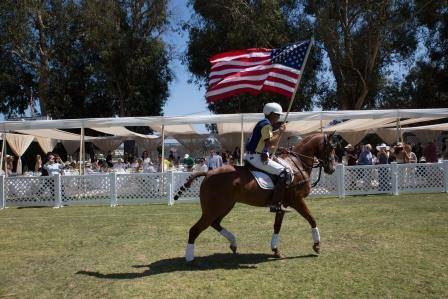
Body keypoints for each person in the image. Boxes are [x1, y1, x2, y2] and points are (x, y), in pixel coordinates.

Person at [244, 102, 290, 213]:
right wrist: (280, 133)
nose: (279, 117)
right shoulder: (266, 125)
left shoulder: (263, 123)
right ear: (271, 114)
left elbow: (267, 139)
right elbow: (269, 143)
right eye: (277, 115)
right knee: (285, 172)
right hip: (256, 157)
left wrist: (277, 132)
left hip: (256, 155)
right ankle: (275, 203)